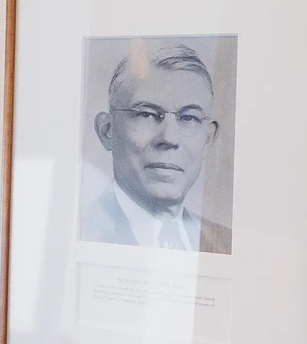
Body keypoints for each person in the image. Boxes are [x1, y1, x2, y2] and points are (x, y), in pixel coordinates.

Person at [83, 41, 231, 253]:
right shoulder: (76, 233)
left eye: (189, 117)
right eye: (146, 114)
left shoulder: (226, 243)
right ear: (107, 130)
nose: (169, 138)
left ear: (207, 140)